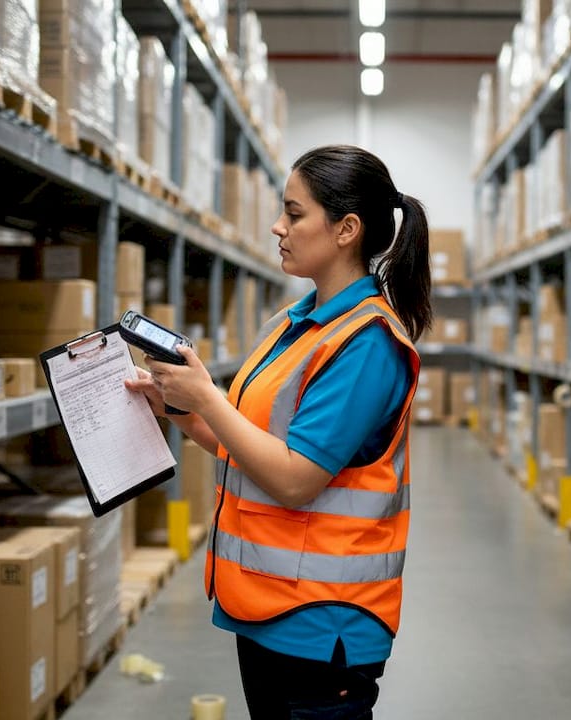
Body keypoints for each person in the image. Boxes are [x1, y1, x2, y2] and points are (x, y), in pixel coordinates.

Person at [124, 144, 431, 719]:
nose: (278, 227)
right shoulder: (295, 326)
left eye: (294, 213)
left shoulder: (366, 344)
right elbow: (247, 445)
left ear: (346, 229)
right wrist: (178, 408)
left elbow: (295, 479)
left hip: (321, 625)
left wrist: (209, 398)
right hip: (268, 610)